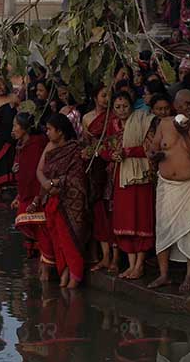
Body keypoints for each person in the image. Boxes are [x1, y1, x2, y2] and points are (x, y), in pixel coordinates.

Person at [148, 89, 190, 292]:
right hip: (167, 184)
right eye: (186, 105)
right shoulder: (164, 124)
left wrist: (184, 134)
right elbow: (154, 148)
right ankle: (164, 274)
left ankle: (189, 276)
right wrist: (155, 155)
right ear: (176, 106)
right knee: (163, 227)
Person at [100, 91, 155, 280]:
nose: (122, 110)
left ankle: (139, 265)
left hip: (140, 177)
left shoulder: (142, 120)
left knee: (141, 219)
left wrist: (127, 151)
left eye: (125, 106)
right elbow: (104, 149)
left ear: (132, 106)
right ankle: (131, 265)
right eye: (117, 107)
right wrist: (112, 155)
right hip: (120, 177)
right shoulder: (112, 125)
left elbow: (151, 148)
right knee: (125, 221)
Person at [32, 113, 90, 288]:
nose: (47, 133)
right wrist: (47, 186)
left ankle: (74, 279)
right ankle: (64, 275)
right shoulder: (50, 147)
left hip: (70, 203)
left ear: (61, 131)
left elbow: (78, 177)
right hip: (52, 200)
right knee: (58, 241)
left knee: (69, 240)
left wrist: (56, 182)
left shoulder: (75, 149)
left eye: (49, 129)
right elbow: (40, 172)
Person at [83, 84, 118, 273]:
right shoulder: (87, 118)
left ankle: (115, 258)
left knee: (113, 212)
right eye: (103, 95)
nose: (106, 99)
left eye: (109, 96)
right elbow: (86, 145)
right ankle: (105, 256)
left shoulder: (116, 117)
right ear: (95, 97)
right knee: (99, 212)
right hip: (96, 168)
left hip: (113, 166)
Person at [11, 112, 48, 255]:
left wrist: (37, 198)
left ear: (25, 128)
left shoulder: (37, 144)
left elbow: (40, 172)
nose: (13, 129)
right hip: (25, 193)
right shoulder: (20, 145)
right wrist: (19, 196)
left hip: (37, 193)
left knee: (39, 229)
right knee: (26, 225)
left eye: (16, 126)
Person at [0, 76, 20, 187]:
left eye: (1, 85)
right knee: (0, 159)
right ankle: (1, 182)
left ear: (6, 85)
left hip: (13, 134)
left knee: (12, 157)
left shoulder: (13, 97)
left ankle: (13, 181)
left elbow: (21, 114)